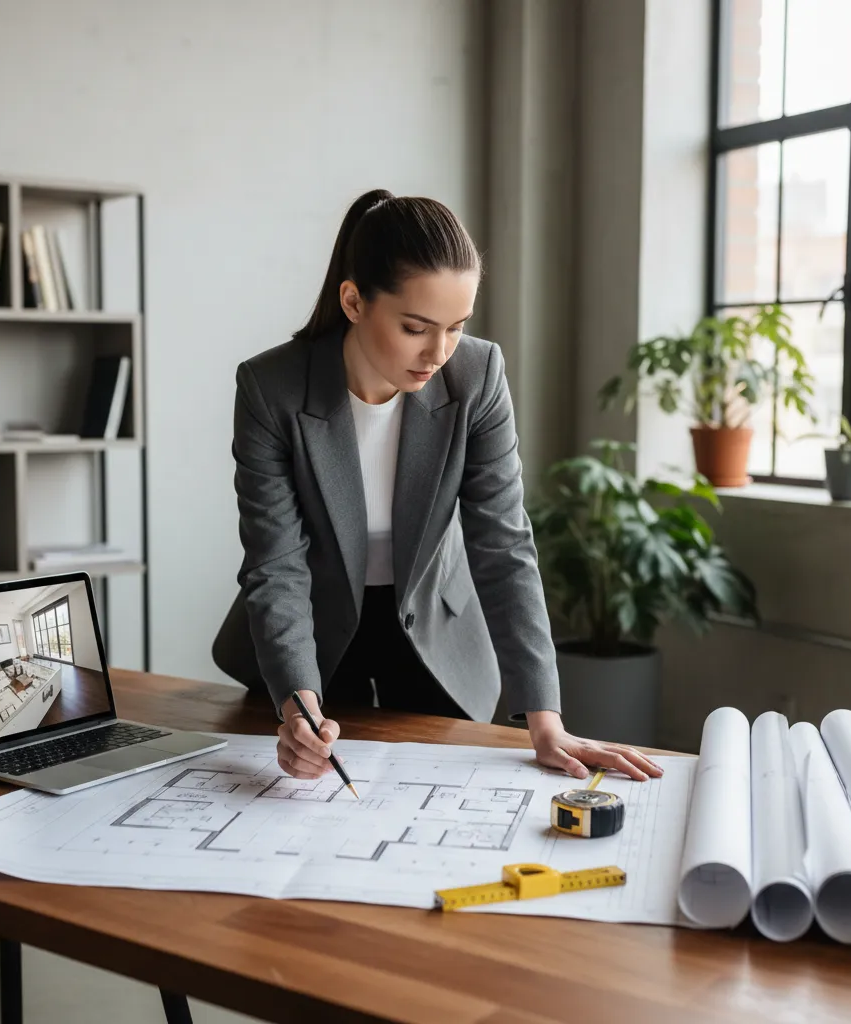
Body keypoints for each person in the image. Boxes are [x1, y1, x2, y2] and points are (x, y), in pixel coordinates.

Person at [213, 188, 663, 786]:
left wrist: (546, 720)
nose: (438, 353)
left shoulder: (477, 375)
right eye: (415, 328)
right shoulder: (271, 388)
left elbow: (504, 545)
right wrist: (297, 706)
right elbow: (276, 564)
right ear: (353, 301)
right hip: (309, 634)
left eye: (456, 327)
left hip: (435, 634)